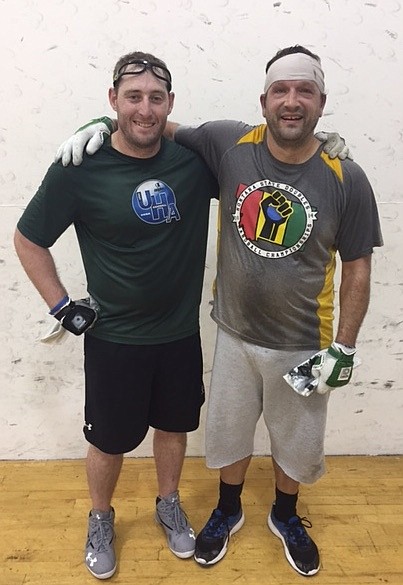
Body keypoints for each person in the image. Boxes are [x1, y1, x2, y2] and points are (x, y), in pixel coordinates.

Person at [53, 46, 370, 578]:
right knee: (228, 437)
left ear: (321, 102)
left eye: (305, 91)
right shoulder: (228, 143)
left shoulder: (346, 174)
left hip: (305, 341)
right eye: (281, 91)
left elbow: (358, 266)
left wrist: (345, 345)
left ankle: (286, 517)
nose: (292, 102)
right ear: (264, 100)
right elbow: (153, 124)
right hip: (235, 336)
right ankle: (227, 510)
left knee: (293, 444)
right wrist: (103, 121)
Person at [14, 50, 219, 580]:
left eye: (155, 98)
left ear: (169, 104)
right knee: (108, 440)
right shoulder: (79, 168)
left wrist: (315, 156)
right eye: (132, 98)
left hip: (179, 335)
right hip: (115, 340)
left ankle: (168, 503)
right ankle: (101, 517)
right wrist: (61, 306)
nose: (144, 109)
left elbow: (258, 163)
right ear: (113, 100)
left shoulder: (194, 162)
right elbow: (28, 238)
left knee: (174, 428)